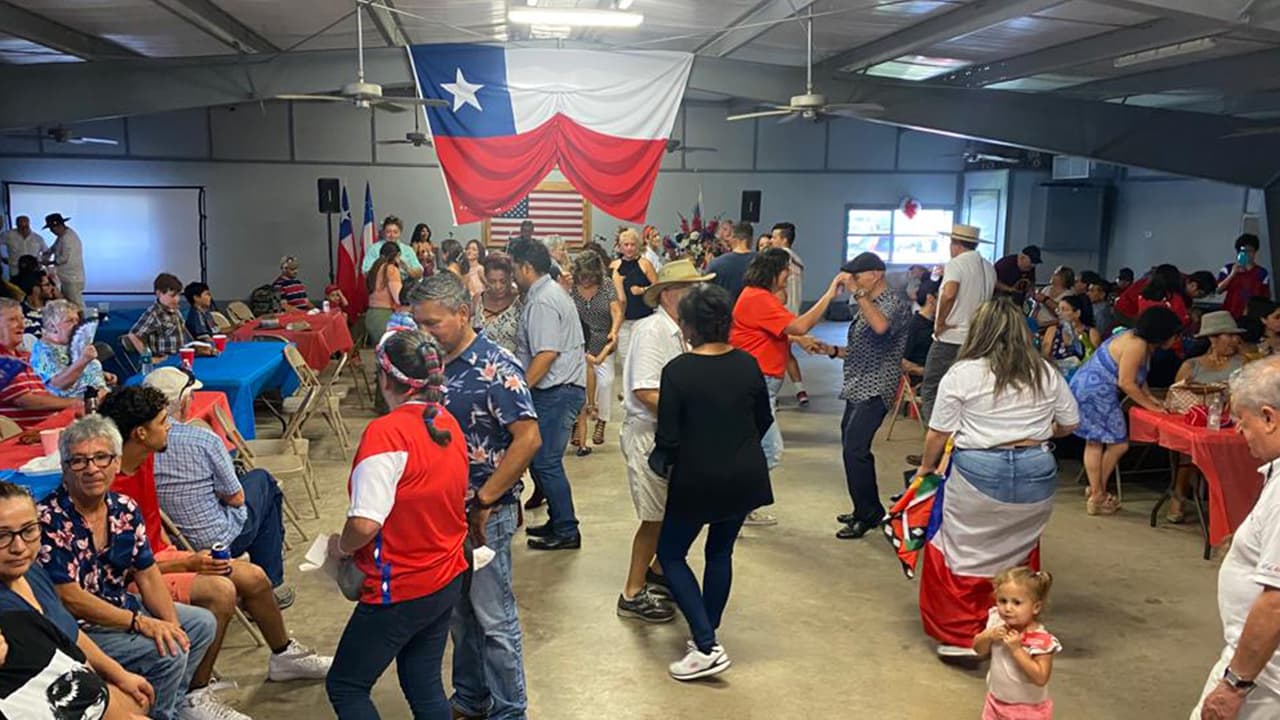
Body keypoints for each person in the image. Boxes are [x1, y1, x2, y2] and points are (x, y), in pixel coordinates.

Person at [98, 388, 331, 712]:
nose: (170, 428)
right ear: (140, 432)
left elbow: (154, 522)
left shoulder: (145, 457)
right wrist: (189, 562)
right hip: (138, 574)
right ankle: (194, 694)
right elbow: (119, 569)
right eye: (163, 422)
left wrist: (181, 555)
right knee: (221, 592)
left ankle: (283, 656)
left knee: (255, 577)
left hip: (161, 556)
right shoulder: (108, 485)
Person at [408, 274, 542, 720]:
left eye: (432, 324)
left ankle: (510, 711)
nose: (423, 334)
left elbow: (528, 439)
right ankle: (471, 697)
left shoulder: (496, 367)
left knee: (494, 619)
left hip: (487, 512)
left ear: (463, 313)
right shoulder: (431, 365)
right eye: (417, 324)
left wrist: (484, 500)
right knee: (459, 617)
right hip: (444, 514)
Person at [913, 299, 1078, 660]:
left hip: (977, 471)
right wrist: (1034, 432)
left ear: (978, 332)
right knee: (1016, 550)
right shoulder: (1045, 372)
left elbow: (938, 433)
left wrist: (926, 470)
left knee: (959, 550)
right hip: (1038, 472)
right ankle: (1015, 626)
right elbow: (1070, 424)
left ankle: (960, 636)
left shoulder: (963, 373)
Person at [325, 329, 469, 718]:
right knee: (422, 679)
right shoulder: (446, 422)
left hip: (399, 586)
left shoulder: (385, 435)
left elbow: (366, 524)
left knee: (346, 685)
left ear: (385, 379)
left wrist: (342, 547)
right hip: (445, 575)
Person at [37, 414, 219, 720]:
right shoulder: (48, 519)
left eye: (101, 458)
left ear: (117, 462)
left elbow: (147, 573)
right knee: (169, 652)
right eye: (79, 461)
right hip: (76, 627)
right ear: (65, 468)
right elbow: (70, 599)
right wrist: (140, 622)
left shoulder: (124, 507)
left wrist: (170, 623)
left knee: (199, 626)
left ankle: (170, 705)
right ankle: (159, 714)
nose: (92, 468)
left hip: (120, 606)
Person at [652, 284, 774, 681]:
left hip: (698, 476)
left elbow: (668, 438)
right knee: (719, 553)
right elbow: (763, 419)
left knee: (671, 554)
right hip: (744, 473)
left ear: (688, 327)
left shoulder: (678, 371)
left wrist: (661, 463)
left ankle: (706, 645)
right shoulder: (748, 364)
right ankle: (708, 634)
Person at [0, 482, 154, 720]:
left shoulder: (31, 573)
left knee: (139, 696)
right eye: (2, 536)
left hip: (76, 686)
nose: (19, 547)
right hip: (52, 701)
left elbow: (69, 633)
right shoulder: (9, 614)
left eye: (29, 530)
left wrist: (120, 674)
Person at [618, 259, 715, 624]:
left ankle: (658, 570)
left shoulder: (679, 331)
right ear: (672, 294)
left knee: (676, 512)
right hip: (649, 436)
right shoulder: (653, 331)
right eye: (693, 289)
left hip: (671, 436)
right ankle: (631, 591)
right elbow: (645, 390)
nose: (698, 296)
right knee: (654, 518)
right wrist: (694, 412)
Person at [143, 367, 289, 599]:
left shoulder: (132, 444)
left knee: (256, 489)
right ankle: (271, 585)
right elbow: (236, 497)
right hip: (215, 541)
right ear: (182, 402)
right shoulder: (203, 440)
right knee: (263, 483)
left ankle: (264, 580)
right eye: (190, 396)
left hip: (167, 541)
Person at [1190, 356, 1280, 718]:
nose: (1240, 435)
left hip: (1265, 679)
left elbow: (1275, 601)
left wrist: (1235, 684)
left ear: (1269, 417)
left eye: (1243, 423)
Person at [731, 248, 845, 525]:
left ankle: (737, 506)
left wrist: (799, 340)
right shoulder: (758, 298)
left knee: (754, 448)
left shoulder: (758, 297)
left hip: (760, 383)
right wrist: (829, 294)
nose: (789, 276)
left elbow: (778, 330)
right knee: (769, 450)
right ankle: (736, 508)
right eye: (786, 270)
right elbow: (798, 324)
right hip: (757, 385)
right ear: (772, 272)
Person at [811, 252, 911, 539]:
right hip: (857, 383)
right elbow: (862, 350)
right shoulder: (868, 306)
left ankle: (867, 514)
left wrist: (858, 295)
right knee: (851, 447)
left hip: (877, 386)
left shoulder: (893, 303)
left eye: (857, 276)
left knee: (856, 449)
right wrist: (831, 351)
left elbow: (881, 328)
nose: (852, 282)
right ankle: (864, 508)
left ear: (876, 274)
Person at [1070, 306, 1183, 516]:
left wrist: (1152, 400)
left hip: (1090, 387)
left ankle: (1097, 491)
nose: (1176, 340)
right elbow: (1127, 383)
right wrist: (1151, 407)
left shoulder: (1141, 342)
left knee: (1096, 442)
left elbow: (1140, 379)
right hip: (1094, 391)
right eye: (1175, 335)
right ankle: (1097, 494)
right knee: (1116, 444)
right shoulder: (1136, 344)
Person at [511, 239, 586, 551]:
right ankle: (558, 520)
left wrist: (520, 391)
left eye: (514, 268)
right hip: (561, 389)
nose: (513, 275)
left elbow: (546, 354)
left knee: (546, 462)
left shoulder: (543, 301)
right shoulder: (548, 293)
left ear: (527, 267)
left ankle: (567, 529)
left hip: (557, 391)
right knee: (544, 461)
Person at [1166, 312, 1245, 524]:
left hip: (1230, 422)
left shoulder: (1243, 364)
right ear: (1213, 338)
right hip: (1196, 423)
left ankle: (1228, 503)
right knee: (1191, 448)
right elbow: (1176, 396)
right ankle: (1179, 493)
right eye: (1229, 336)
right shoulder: (1192, 365)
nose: (1235, 340)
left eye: (1236, 336)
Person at [920, 224, 997, 424]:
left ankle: (936, 443)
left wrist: (940, 322)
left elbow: (950, 293)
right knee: (967, 391)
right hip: (978, 337)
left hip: (952, 337)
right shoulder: (988, 266)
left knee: (932, 387)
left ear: (955, 244)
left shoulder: (956, 264)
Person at [972, 568, 1061, 719]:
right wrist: (988, 636)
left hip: (1027, 710)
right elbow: (978, 649)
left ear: (1036, 607)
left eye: (1017, 603)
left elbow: (1041, 677)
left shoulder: (1041, 639)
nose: (1007, 608)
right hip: (995, 701)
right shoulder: (996, 621)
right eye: (1003, 601)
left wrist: (1017, 650)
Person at [0, 298, 81, 428]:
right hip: (23, 439)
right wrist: (73, 402)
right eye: (12, 320)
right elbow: (26, 401)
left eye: (22, 319)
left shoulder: (25, 357)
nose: (22, 325)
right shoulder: (4, 363)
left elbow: (44, 394)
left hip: (47, 429)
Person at [570, 252, 622, 453]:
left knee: (606, 381)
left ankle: (601, 420)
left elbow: (616, 311)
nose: (586, 280)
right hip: (578, 339)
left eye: (590, 276)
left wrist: (614, 331)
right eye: (582, 276)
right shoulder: (572, 288)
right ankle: (577, 422)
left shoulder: (607, 285)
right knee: (578, 383)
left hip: (603, 338)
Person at [31, 299, 113, 399]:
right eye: (70, 321)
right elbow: (58, 385)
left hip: (101, 394)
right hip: (78, 404)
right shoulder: (44, 350)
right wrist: (83, 360)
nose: (76, 325)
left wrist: (101, 374)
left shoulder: (71, 343)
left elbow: (74, 369)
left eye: (77, 320)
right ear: (52, 326)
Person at [611, 228, 658, 381]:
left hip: (643, 318)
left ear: (637, 246)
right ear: (620, 246)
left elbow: (659, 288)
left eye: (632, 244)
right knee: (625, 357)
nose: (629, 248)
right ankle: (627, 390)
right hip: (623, 320)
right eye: (626, 245)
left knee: (643, 356)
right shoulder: (614, 266)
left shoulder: (645, 264)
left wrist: (643, 289)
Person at [772, 222, 810, 407]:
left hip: (781, 315)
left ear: (784, 239)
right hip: (794, 314)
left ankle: (770, 394)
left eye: (774, 237)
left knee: (776, 355)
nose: (771, 241)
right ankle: (800, 390)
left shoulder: (779, 259)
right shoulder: (798, 260)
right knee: (785, 354)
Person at [125, 273, 189, 359]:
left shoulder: (176, 311)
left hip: (179, 356)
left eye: (178, 295)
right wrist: (149, 358)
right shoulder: (154, 313)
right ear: (159, 293)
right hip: (165, 360)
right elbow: (134, 335)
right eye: (172, 296)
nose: (176, 299)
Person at [473, 254, 523, 355]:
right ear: (486, 278)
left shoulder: (520, 300)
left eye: (503, 281)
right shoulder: (478, 299)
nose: (498, 286)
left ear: (511, 278)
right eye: (492, 282)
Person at [1040, 294, 1100, 377]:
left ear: (1077, 313)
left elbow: (1096, 360)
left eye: (1064, 310)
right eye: (1058, 309)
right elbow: (1044, 357)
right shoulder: (1052, 330)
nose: (1059, 313)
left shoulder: (1091, 333)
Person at [1218, 233, 1271, 320]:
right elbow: (1218, 290)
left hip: (1253, 316)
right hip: (1230, 314)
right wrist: (1232, 274)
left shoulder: (1262, 272)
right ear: (1238, 252)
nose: (1246, 253)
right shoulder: (1228, 268)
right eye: (1243, 251)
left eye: (1249, 250)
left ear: (1255, 252)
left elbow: (1266, 297)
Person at [42, 214, 84, 308]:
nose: (51, 231)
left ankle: (83, 321)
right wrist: (46, 253)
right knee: (68, 303)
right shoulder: (63, 235)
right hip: (66, 277)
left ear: (59, 226)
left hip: (72, 277)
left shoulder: (67, 238)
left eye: (52, 229)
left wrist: (49, 263)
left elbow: (63, 258)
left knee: (75, 304)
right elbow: (54, 247)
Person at [706, 221, 754, 303]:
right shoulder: (763, 262)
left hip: (724, 313)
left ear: (733, 239)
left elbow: (706, 297)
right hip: (755, 313)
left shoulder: (716, 264)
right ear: (752, 239)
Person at [366, 241, 403, 344]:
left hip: (372, 315)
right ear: (396, 255)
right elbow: (398, 298)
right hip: (384, 316)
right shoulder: (391, 269)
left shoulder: (375, 267)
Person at [903, 278, 939, 379]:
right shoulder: (913, 325)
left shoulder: (938, 324)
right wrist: (926, 372)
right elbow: (901, 361)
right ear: (931, 298)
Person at [1, 215, 48, 281]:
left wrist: (41, 261)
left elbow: (46, 251)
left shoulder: (38, 238)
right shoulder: (8, 235)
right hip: (16, 272)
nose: (24, 229)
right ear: (16, 225)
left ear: (29, 224)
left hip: (34, 272)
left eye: (26, 226)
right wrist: (2, 257)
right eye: (21, 227)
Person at [17, 268, 55, 339]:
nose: (52, 287)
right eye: (47, 285)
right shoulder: (17, 311)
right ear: (36, 289)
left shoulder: (55, 309)